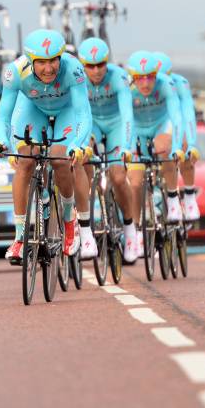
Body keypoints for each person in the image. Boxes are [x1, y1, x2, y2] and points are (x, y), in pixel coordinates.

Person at [0, 29, 93, 263]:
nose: (49, 69)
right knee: (25, 158)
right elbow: (4, 117)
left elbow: (83, 114)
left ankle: (69, 223)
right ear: (30, 61)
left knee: (60, 158)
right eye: (42, 63)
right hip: (32, 108)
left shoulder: (73, 69)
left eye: (53, 61)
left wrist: (78, 144)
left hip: (66, 110)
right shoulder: (14, 72)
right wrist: (2, 140)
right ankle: (19, 238)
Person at [78, 37, 137, 263]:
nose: (96, 70)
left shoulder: (119, 77)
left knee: (119, 177)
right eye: (90, 66)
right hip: (91, 123)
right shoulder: (77, 78)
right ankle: (85, 221)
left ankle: (131, 230)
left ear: (107, 62)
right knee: (83, 163)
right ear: (83, 65)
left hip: (116, 125)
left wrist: (128, 146)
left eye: (101, 64)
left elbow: (128, 115)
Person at [125, 50, 185, 255]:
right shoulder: (127, 89)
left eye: (150, 77)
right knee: (134, 182)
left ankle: (172, 196)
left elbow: (176, 117)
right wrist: (126, 146)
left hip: (161, 125)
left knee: (163, 147)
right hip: (138, 132)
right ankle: (136, 231)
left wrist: (176, 143)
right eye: (140, 79)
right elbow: (124, 120)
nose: (145, 84)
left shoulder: (165, 85)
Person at [153, 51, 201, 221]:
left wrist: (192, 143)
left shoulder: (180, 84)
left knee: (182, 145)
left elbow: (187, 114)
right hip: (153, 120)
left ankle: (187, 196)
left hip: (175, 118)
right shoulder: (143, 83)